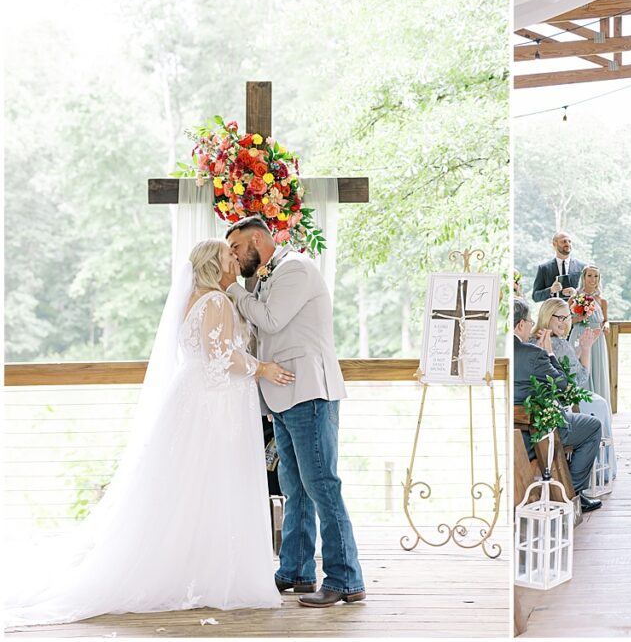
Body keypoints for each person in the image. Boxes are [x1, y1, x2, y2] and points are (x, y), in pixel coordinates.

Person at [5, 240, 294, 628]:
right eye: (228, 257)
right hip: (213, 406)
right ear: (213, 264)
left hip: (191, 400)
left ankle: (195, 567)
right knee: (212, 483)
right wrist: (262, 368)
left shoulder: (193, 300)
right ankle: (211, 574)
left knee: (187, 486)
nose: (234, 260)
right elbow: (220, 359)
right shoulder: (217, 303)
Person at [225, 217, 364, 608]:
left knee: (322, 486)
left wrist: (233, 290)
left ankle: (346, 579)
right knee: (294, 488)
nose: (235, 257)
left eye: (236, 248)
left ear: (257, 239)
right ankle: (296, 572)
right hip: (282, 395)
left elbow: (271, 319)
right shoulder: (265, 278)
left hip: (309, 393)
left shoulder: (296, 268)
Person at [513, 299, 603, 512]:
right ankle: (572, 495)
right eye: (528, 321)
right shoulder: (534, 353)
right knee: (593, 426)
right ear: (520, 325)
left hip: (513, 431)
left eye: (566, 317)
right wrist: (549, 354)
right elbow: (567, 389)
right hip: (535, 434)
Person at [536, 297, 616, 481]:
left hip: (545, 403)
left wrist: (578, 349)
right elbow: (578, 380)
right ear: (548, 316)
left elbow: (563, 367)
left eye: (567, 318)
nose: (564, 323)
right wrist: (586, 349)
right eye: (559, 318)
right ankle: (589, 478)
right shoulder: (559, 344)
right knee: (600, 405)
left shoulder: (535, 339)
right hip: (563, 404)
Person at [568, 265, 612, 403]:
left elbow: (606, 320)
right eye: (590, 276)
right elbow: (568, 321)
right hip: (579, 335)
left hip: (596, 338)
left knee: (597, 369)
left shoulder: (602, 301)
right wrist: (580, 318)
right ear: (584, 277)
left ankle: (598, 408)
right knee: (577, 368)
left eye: (596, 276)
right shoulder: (574, 298)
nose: (593, 279)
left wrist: (606, 326)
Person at [532, 231, 585, 302]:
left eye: (569, 241)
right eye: (564, 241)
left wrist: (576, 293)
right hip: (552, 311)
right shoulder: (544, 268)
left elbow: (590, 295)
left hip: (574, 312)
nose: (567, 244)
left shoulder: (582, 267)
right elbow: (535, 296)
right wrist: (551, 290)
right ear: (554, 244)